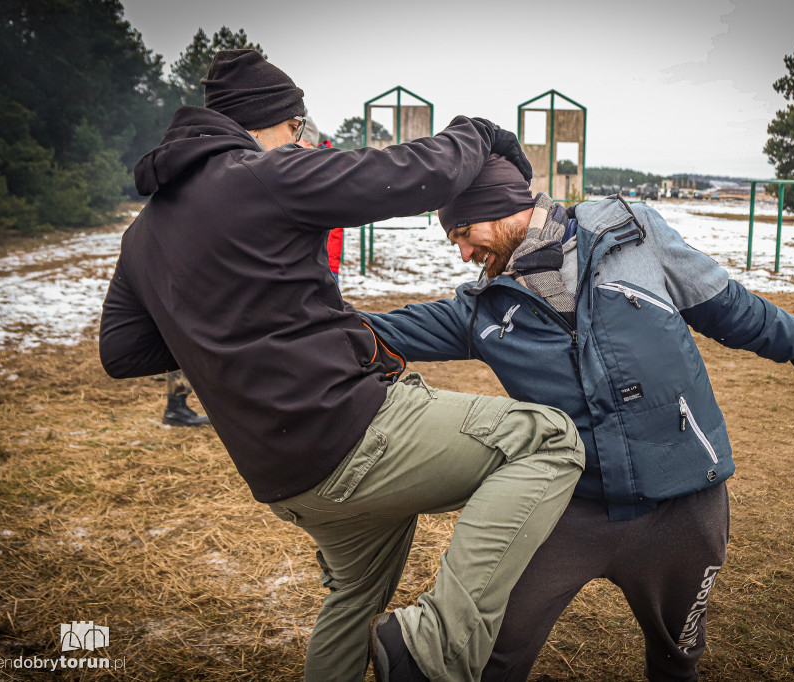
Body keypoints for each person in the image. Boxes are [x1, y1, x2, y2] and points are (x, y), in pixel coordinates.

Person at [98, 49, 585, 682]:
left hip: (284, 480)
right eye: (296, 128)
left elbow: (122, 351)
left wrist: (229, 327)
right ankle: (435, 651)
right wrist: (477, 131)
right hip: (352, 435)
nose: (299, 140)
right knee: (547, 440)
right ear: (270, 122)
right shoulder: (261, 175)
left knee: (354, 599)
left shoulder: (144, 233)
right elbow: (407, 174)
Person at [361, 155, 794, 682]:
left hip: (684, 502)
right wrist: (287, 319)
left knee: (678, 659)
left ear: (505, 207)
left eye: (464, 232)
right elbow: (373, 331)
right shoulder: (480, 312)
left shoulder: (633, 237)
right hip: (564, 508)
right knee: (495, 653)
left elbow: (729, 306)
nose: (462, 253)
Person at [294, 116, 343, 286]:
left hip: (321, 262)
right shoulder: (323, 166)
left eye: (295, 135)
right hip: (318, 261)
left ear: (306, 142)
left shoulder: (320, 170)